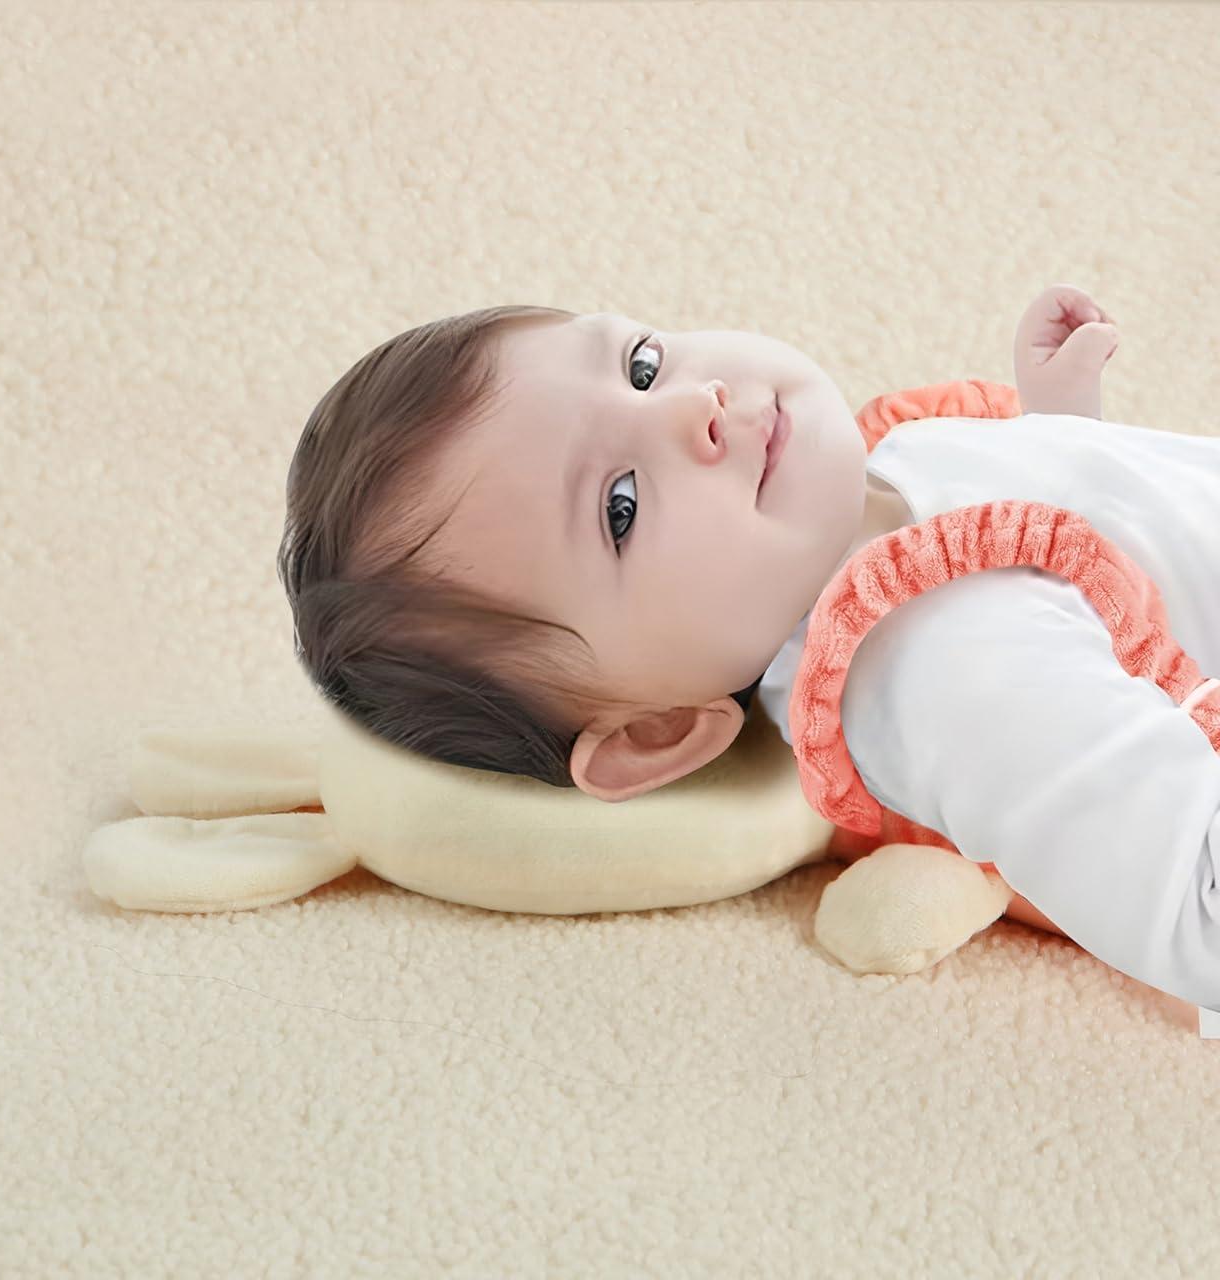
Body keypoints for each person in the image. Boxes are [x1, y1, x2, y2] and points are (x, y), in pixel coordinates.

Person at [278, 289, 1220, 1008]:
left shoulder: (885, 478)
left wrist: (1063, 426)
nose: (697, 406)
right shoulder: (945, 671)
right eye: (620, 508)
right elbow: (1194, 911)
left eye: (641, 367)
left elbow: (1113, 593)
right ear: (653, 732)